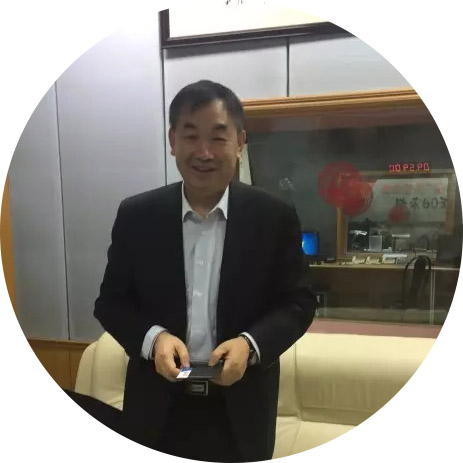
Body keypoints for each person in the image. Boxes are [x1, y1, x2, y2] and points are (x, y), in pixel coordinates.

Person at [94, 80, 317, 462]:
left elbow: (298, 303)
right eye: (190, 136)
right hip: (156, 409)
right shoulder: (137, 216)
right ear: (172, 141)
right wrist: (154, 340)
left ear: (240, 142)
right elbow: (110, 303)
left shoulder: (274, 217)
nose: (204, 152)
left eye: (218, 137)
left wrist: (250, 345)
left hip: (242, 411)